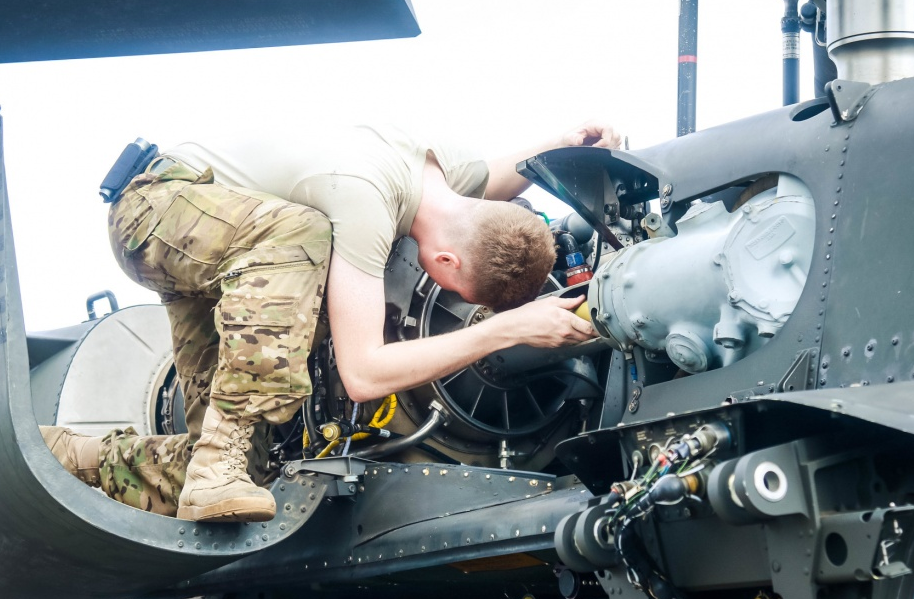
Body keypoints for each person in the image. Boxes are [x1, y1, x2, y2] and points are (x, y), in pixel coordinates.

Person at [42, 121, 622, 522]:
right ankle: (217, 467)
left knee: (252, 474)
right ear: (446, 264)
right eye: (459, 292)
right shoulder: (365, 201)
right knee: (303, 236)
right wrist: (503, 330)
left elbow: (495, 183)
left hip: (225, 251)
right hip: (160, 207)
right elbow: (364, 375)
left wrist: (561, 142)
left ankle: (55, 459)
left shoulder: (444, 178)